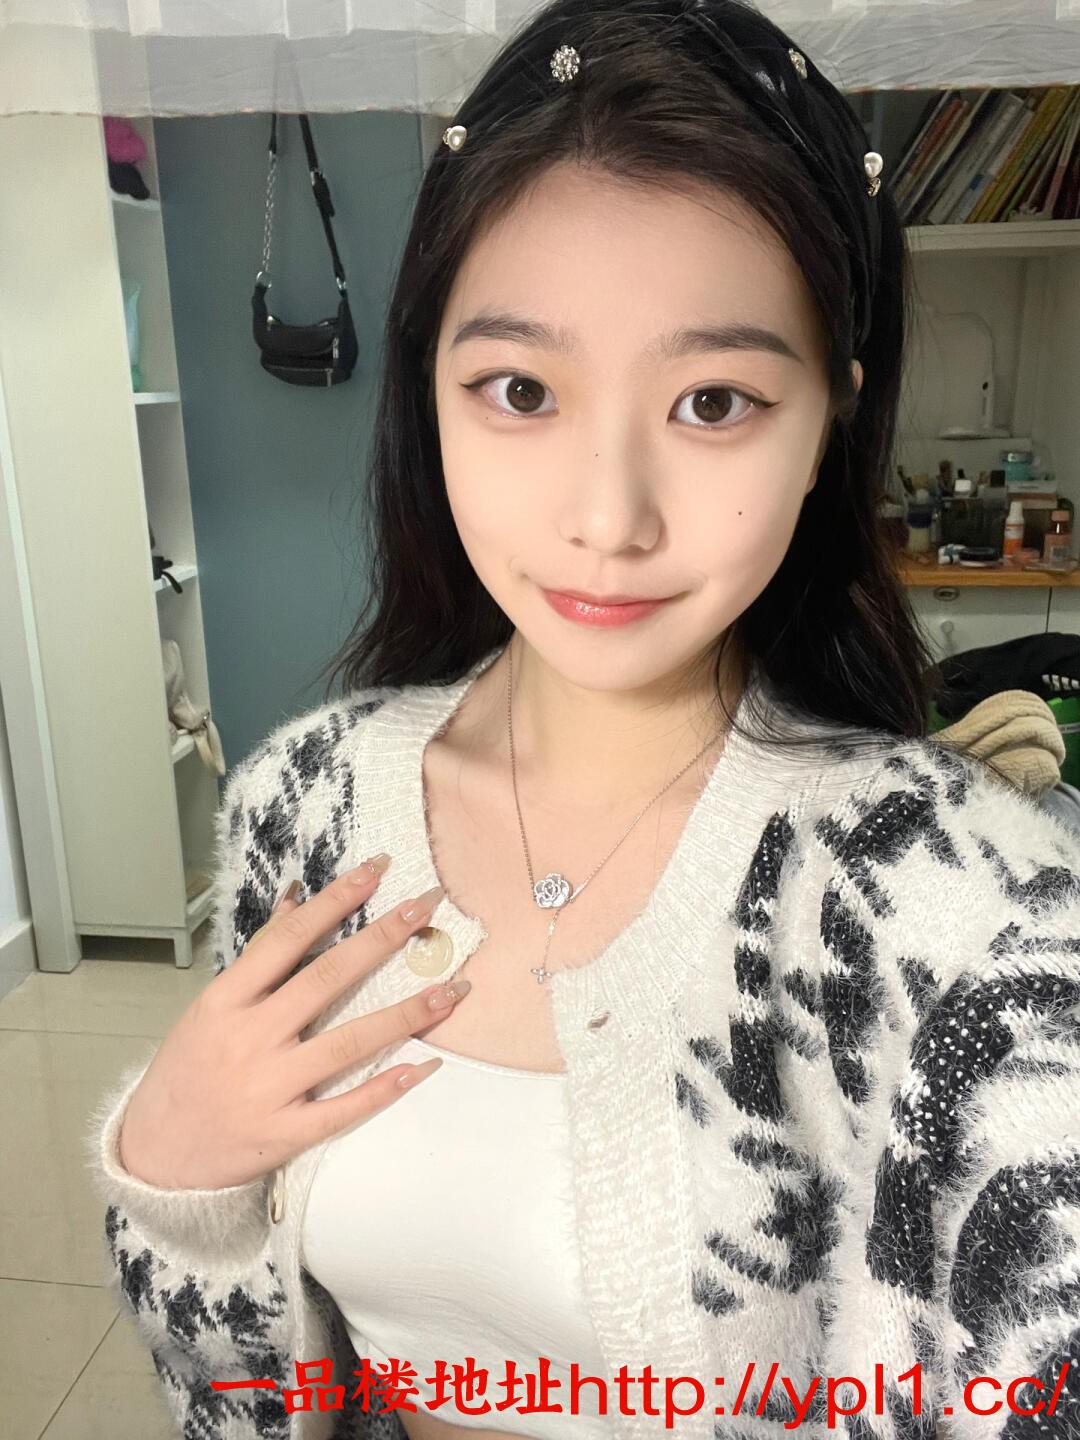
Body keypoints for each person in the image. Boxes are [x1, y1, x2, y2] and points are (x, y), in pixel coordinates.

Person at [85, 2, 1080, 1438]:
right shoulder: (303, 805)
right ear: (429, 394)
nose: (608, 519)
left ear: (832, 425)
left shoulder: (961, 905)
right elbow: (239, 1394)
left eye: (715, 401)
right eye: (520, 390)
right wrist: (176, 1178)